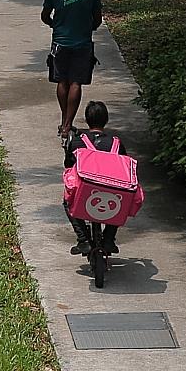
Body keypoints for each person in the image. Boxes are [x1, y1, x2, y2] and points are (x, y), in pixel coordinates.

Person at [41, 0, 101, 136]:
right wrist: (89, 28)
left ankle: (63, 120)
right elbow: (97, 18)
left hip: (60, 42)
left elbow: (44, 15)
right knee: (76, 82)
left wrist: (54, 24)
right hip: (82, 43)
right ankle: (68, 124)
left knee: (61, 80)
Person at [62, 101, 128, 256]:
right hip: (111, 191)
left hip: (86, 191)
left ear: (87, 120)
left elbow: (68, 164)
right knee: (121, 203)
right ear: (106, 120)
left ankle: (83, 239)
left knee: (68, 202)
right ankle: (109, 239)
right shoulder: (116, 143)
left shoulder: (77, 142)